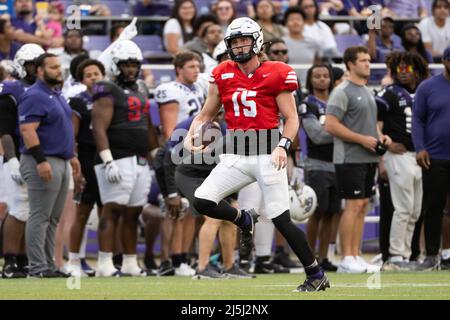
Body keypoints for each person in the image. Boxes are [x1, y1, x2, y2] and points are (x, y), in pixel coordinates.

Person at [185, 17, 329, 292]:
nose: (239, 47)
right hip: (236, 154)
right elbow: (206, 112)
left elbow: (291, 118)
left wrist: (282, 146)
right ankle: (243, 219)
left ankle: (316, 274)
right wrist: (193, 133)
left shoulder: (277, 71)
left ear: (258, 41)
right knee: (202, 200)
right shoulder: (222, 72)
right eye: (234, 42)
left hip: (267, 153)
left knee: (281, 219)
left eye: (244, 41)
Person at [91, 40, 159, 277]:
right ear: (115, 65)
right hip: (116, 157)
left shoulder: (141, 87)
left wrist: (154, 152)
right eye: (126, 64)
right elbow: (98, 127)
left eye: (134, 64)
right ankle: (104, 262)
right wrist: (107, 160)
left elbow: (148, 124)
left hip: (139, 158)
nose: (131, 69)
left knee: (133, 212)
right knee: (112, 210)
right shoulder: (106, 88)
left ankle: (130, 263)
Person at [325, 46, 391, 274]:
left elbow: (370, 123)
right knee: (353, 206)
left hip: (368, 157)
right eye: (362, 60)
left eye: (368, 60)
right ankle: (346, 258)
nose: (367, 64)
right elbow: (330, 124)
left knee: (363, 206)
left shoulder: (367, 91)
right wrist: (362, 139)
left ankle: (356, 255)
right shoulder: (342, 91)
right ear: (350, 64)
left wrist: (379, 136)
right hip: (349, 158)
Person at [19, 52, 81, 278]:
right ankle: (37, 267)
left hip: (61, 160)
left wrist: (71, 155)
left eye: (59, 66)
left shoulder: (56, 95)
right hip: (43, 160)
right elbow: (28, 130)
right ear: (39, 70)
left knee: (53, 217)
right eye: (53, 67)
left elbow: (59, 129)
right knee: (40, 215)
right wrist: (41, 160)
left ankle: (49, 264)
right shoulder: (34, 95)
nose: (58, 70)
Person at [376, 51, 429, 270]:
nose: (404, 72)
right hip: (398, 154)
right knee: (403, 208)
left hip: (420, 156)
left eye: (408, 68)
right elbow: (374, 121)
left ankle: (406, 254)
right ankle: (396, 255)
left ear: (417, 70)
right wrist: (384, 145)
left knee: (416, 210)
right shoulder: (388, 93)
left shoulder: (424, 92)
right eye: (400, 68)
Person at [154, 50, 204, 276]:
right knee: (176, 209)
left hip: (196, 154)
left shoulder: (199, 89)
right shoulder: (170, 90)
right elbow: (169, 130)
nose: (196, 70)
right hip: (177, 153)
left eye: (197, 66)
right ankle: (169, 260)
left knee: (191, 209)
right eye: (191, 66)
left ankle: (182, 258)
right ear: (178, 69)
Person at [0, 43, 44, 278]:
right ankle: (9, 261)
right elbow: (4, 129)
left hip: (40, 156)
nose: (36, 69)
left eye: (39, 64)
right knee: (18, 208)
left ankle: (24, 259)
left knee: (33, 210)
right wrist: (12, 160)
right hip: (17, 155)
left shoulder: (47, 90)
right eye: (31, 64)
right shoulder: (12, 89)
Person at [65, 59, 106, 277]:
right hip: (87, 158)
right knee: (82, 212)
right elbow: (72, 135)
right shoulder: (78, 101)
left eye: (96, 73)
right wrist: (75, 160)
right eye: (88, 75)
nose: (93, 78)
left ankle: (105, 261)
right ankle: (73, 260)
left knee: (105, 211)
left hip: (106, 158)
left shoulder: (110, 97)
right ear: (82, 80)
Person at [412, 46, 450, 270]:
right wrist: (420, 148)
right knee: (433, 207)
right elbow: (417, 120)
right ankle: (432, 254)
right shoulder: (428, 87)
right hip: (434, 156)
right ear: (445, 62)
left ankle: (447, 254)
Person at [301, 63, 341, 272]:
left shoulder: (338, 101)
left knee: (332, 213)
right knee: (317, 212)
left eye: (326, 75)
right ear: (311, 80)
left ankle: (324, 257)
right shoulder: (308, 104)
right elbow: (317, 136)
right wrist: (343, 131)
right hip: (317, 165)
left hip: (340, 163)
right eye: (317, 76)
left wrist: (335, 129)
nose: (322, 79)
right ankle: (310, 258)